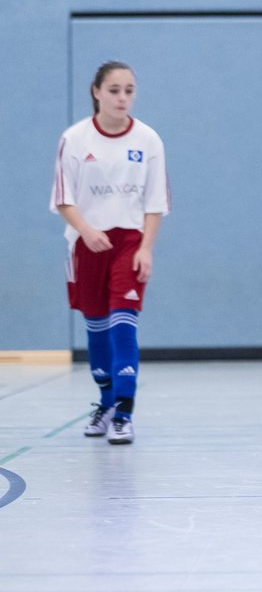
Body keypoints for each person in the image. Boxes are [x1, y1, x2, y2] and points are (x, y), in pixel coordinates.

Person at [52, 61, 171, 445]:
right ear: (96, 92)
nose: (123, 97)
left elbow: (155, 202)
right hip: (87, 245)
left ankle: (124, 412)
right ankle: (105, 402)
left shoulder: (149, 140)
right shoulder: (74, 139)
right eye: (115, 90)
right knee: (98, 329)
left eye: (129, 90)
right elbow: (63, 200)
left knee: (124, 325)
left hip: (130, 243)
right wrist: (87, 231)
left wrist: (147, 248)